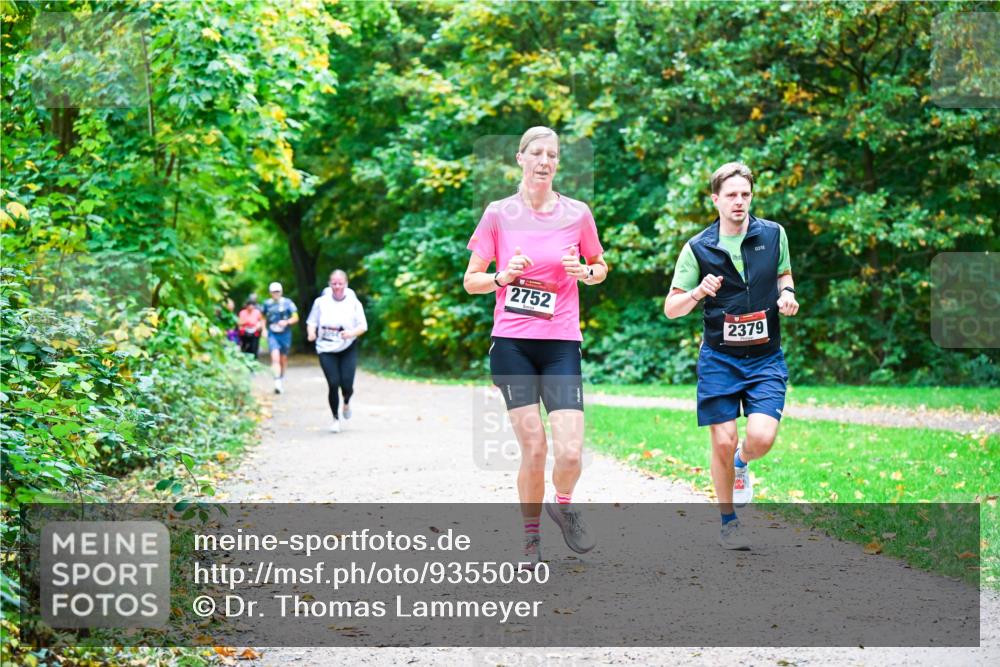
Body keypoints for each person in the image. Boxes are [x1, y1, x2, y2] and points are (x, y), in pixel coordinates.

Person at [463, 126, 608, 567]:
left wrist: (585, 272)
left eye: (553, 155)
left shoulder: (577, 213)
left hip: (561, 342)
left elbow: (600, 266)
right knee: (535, 447)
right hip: (512, 345)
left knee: (568, 451)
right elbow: (472, 281)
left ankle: (562, 506)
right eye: (537, 153)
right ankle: (530, 539)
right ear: (520, 158)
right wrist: (503, 277)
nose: (545, 161)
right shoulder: (497, 214)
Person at [663, 162, 799, 550]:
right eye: (731, 195)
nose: (739, 202)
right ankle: (728, 521)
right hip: (720, 359)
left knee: (761, 438)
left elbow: (783, 275)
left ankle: (742, 464)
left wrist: (786, 294)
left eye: (745, 194)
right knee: (721, 441)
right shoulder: (698, 248)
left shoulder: (773, 235)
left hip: (765, 358)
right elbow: (671, 308)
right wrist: (698, 292)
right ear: (715, 200)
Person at [306, 270, 367, 433]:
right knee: (333, 383)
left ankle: (346, 402)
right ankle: (335, 418)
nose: (337, 286)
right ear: (329, 283)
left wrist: (351, 333)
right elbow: (311, 321)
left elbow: (363, 326)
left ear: (346, 284)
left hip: (347, 347)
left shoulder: (354, 303)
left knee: (347, 384)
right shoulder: (321, 302)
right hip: (325, 348)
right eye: (334, 283)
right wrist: (311, 333)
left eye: (340, 283)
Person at [261, 282, 299, 394]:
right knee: (275, 357)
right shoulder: (267, 304)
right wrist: (264, 329)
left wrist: (287, 322)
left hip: (285, 334)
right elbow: (262, 317)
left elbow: (296, 317)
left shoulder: (288, 303)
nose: (276, 293)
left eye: (277, 291)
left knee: (283, 359)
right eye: (273, 292)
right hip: (273, 334)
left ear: (281, 292)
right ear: (270, 293)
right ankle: (277, 382)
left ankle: (281, 378)